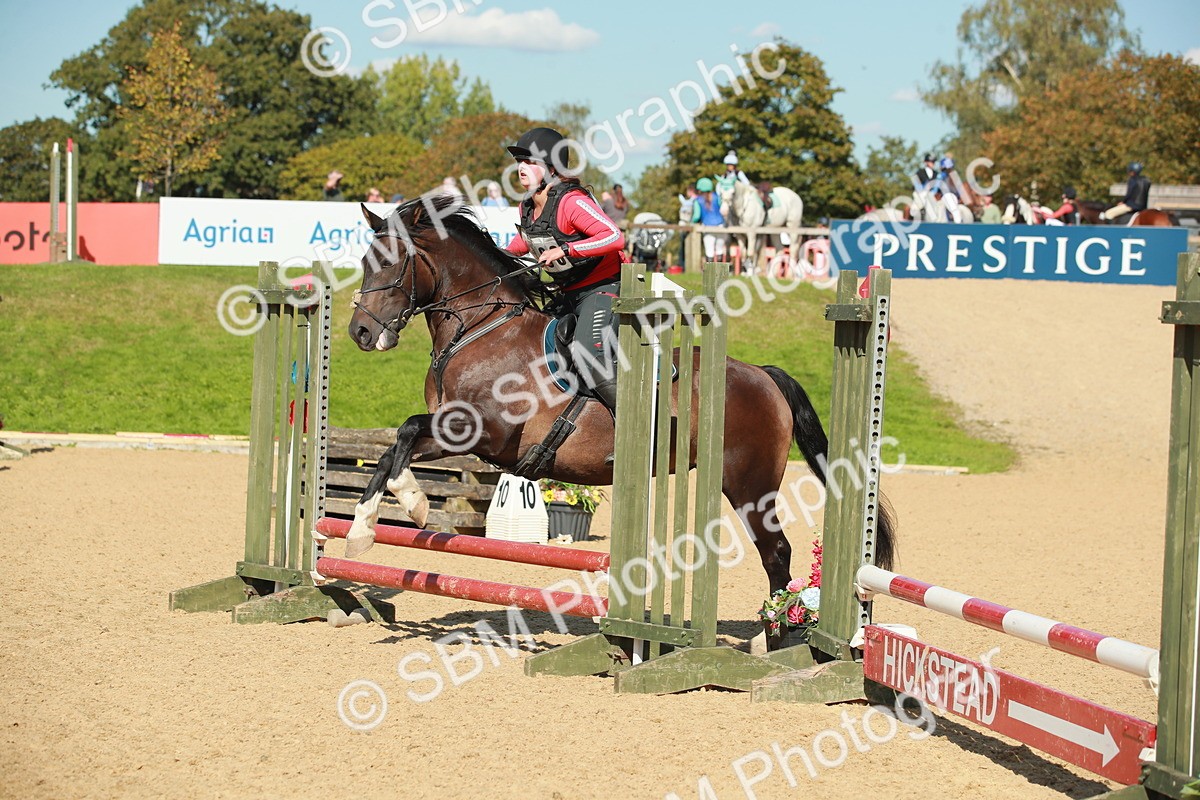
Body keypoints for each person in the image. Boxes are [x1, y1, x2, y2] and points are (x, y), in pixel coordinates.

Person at [503, 126, 626, 459]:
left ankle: (637, 431)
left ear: (552, 167)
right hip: (566, 293)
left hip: (604, 289)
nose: (521, 168)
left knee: (591, 355)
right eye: (519, 161)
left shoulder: (572, 201)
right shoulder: (526, 207)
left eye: (530, 161)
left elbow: (614, 237)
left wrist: (568, 251)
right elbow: (522, 244)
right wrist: (497, 254)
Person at [691, 177, 726, 260]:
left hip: (707, 227)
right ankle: (720, 272)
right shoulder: (717, 197)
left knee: (709, 251)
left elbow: (696, 216)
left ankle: (709, 272)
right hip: (721, 226)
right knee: (719, 251)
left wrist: (692, 222)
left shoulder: (698, 200)